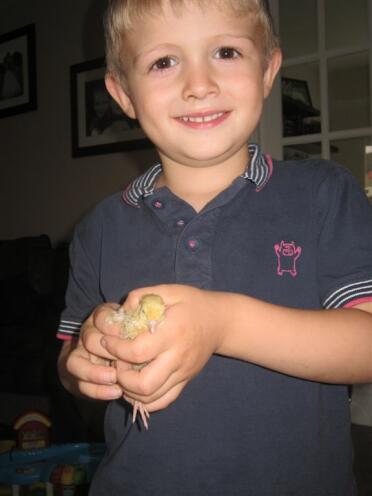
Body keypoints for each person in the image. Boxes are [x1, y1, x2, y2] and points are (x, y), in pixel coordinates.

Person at [57, 0, 372, 494]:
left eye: (226, 51)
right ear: (123, 94)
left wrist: (222, 324)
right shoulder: (97, 228)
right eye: (164, 62)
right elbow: (68, 360)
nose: (199, 84)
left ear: (268, 71)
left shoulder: (323, 192)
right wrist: (85, 361)